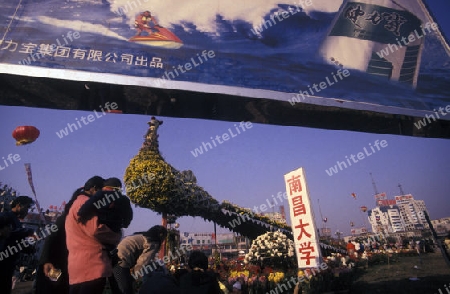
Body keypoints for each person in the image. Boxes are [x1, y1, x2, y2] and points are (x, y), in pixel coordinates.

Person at [35, 176, 105, 294]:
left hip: (69, 262)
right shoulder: (73, 212)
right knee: (54, 288)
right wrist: (46, 260)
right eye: (101, 192)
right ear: (93, 189)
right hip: (57, 262)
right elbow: (52, 236)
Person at [65, 176, 122, 294]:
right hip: (92, 264)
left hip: (77, 264)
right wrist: (116, 235)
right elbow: (96, 230)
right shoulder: (85, 203)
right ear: (95, 189)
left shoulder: (75, 204)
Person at [109, 225, 167, 294]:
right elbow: (143, 262)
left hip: (113, 259)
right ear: (161, 235)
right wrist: (134, 276)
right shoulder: (153, 242)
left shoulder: (142, 236)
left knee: (117, 289)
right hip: (121, 262)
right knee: (126, 290)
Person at [0, 196, 35, 294]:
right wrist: (24, 232)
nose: (27, 211)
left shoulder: (16, 221)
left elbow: (16, 242)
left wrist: (27, 248)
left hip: (8, 265)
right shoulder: (6, 217)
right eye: (27, 207)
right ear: (19, 205)